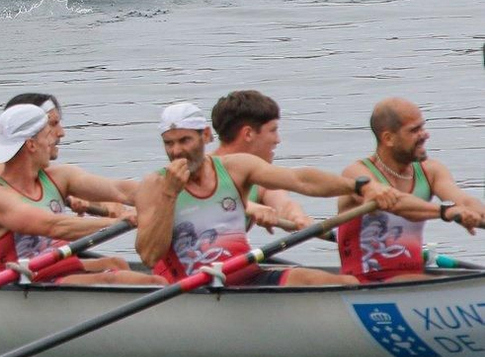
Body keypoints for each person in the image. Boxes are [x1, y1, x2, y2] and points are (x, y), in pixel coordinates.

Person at [134, 102, 405, 286]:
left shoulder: (236, 168)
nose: (177, 151)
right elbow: (149, 255)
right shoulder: (154, 185)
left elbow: (300, 180)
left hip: (247, 277)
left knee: (343, 282)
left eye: (185, 140)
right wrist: (169, 195)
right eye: (169, 144)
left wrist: (359, 186)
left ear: (205, 136)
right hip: (196, 287)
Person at [0, 104, 163, 285]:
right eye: (48, 135)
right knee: (151, 282)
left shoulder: (59, 176)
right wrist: (119, 222)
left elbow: (121, 190)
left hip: (58, 270)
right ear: (31, 145)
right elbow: (55, 226)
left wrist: (169, 196)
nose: (54, 141)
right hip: (27, 282)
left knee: (116, 263)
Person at [336, 98, 485, 282]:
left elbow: (464, 201)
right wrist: (447, 212)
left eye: (422, 127)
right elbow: (398, 204)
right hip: (364, 282)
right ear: (388, 138)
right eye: (414, 130)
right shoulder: (358, 175)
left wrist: (474, 213)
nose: (425, 135)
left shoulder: (431, 171)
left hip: (412, 279)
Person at [210, 90, 309, 228]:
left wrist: (297, 217)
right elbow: (206, 199)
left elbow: (283, 204)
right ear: (248, 134)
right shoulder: (199, 170)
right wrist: (248, 206)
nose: (278, 140)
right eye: (272, 130)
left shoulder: (261, 180)